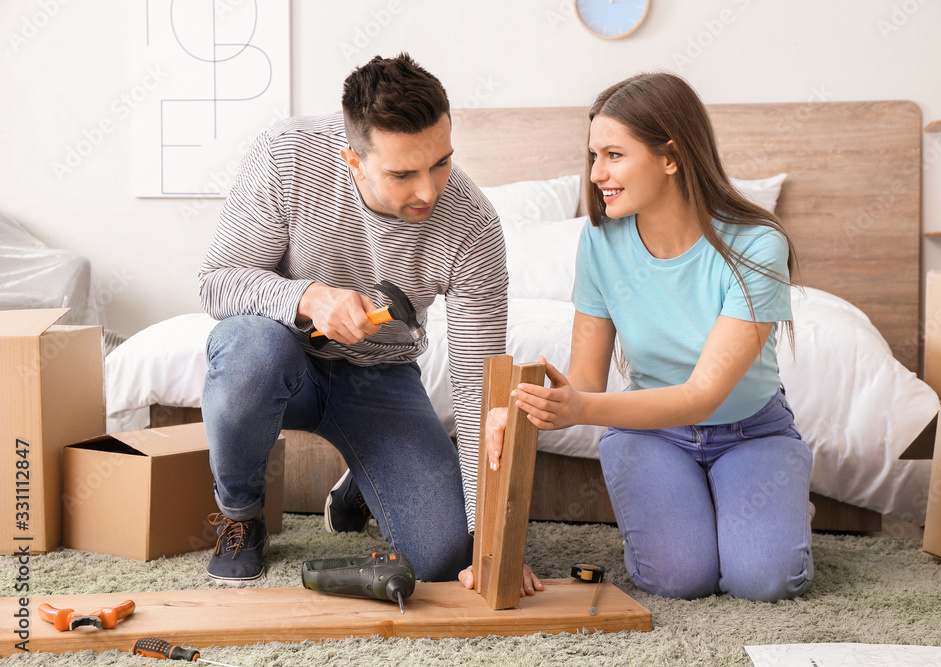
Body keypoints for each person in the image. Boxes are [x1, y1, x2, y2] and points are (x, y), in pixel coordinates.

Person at [482, 72, 814, 602]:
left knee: (765, 581)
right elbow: (586, 380)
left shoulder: (756, 245)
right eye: (593, 156)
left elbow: (702, 395)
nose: (596, 174)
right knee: (679, 580)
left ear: (671, 156)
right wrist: (527, 411)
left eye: (613, 155)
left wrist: (580, 410)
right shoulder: (599, 243)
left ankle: (771, 503)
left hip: (749, 431)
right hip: (652, 436)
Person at [198, 53, 519, 586]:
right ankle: (240, 517)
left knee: (443, 559)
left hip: (380, 378)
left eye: (440, 162)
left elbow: (478, 392)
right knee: (251, 350)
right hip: (283, 360)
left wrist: (492, 548)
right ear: (353, 160)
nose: (429, 192)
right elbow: (216, 281)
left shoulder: (473, 225)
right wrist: (309, 298)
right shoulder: (288, 156)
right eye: (402, 173)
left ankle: (363, 482)